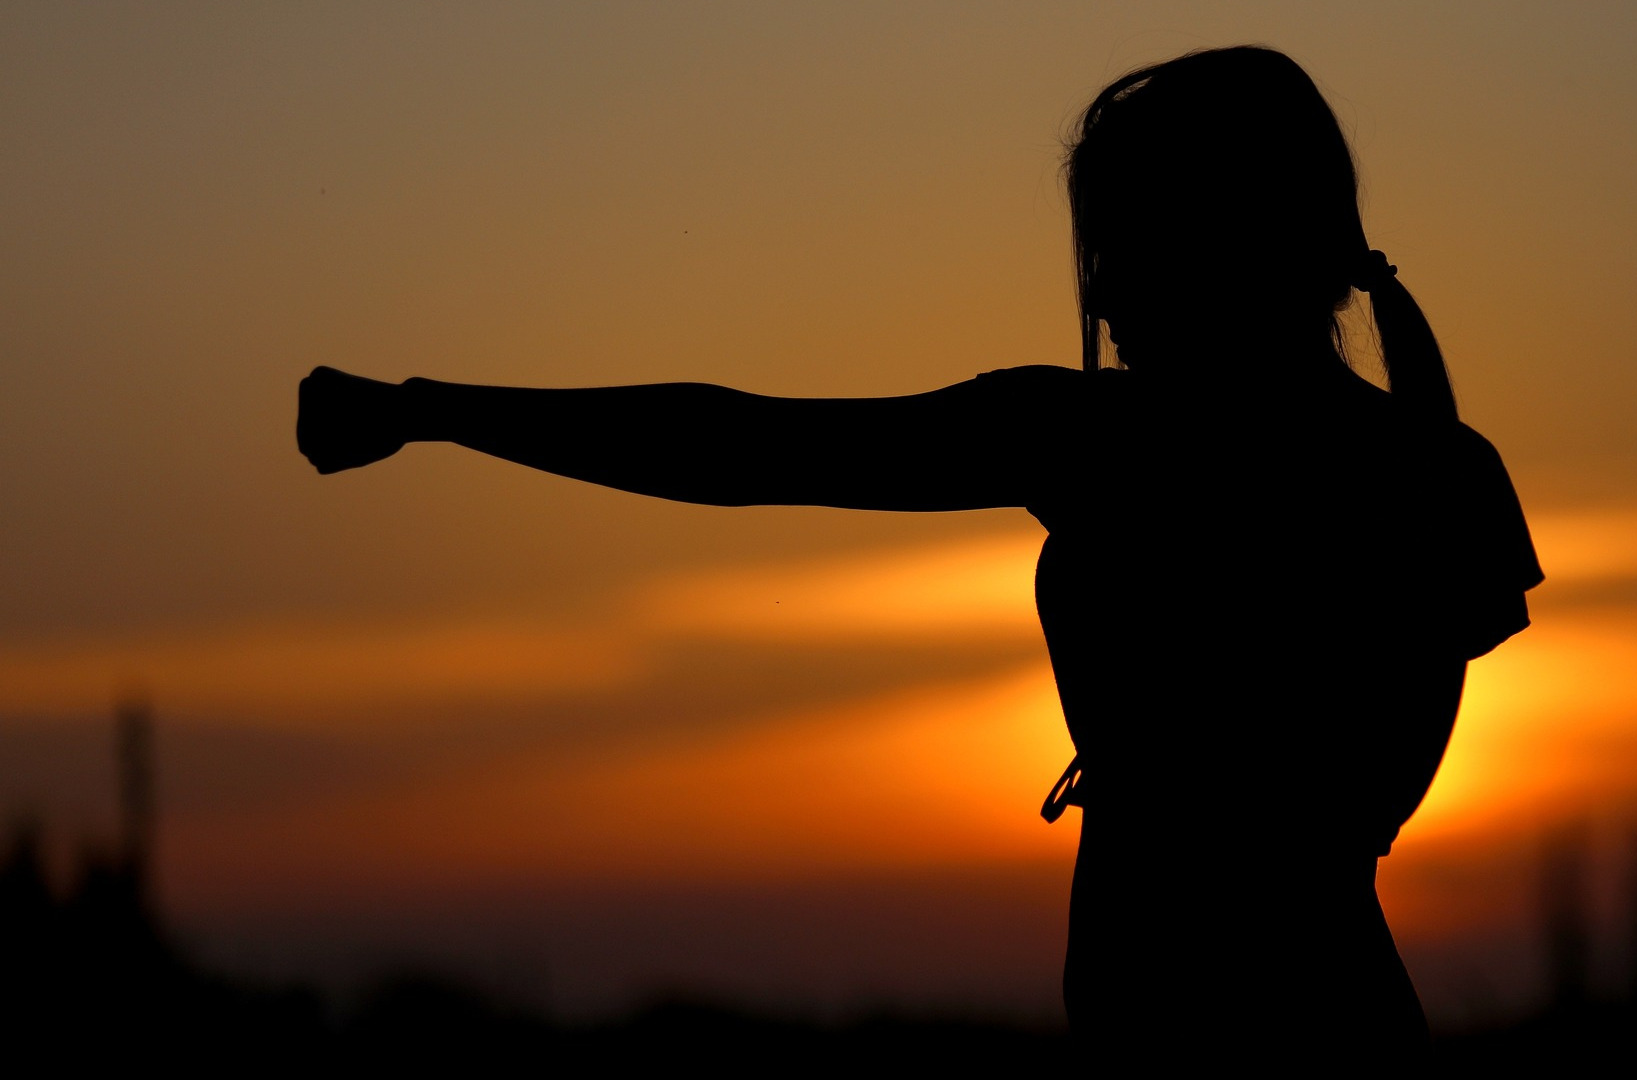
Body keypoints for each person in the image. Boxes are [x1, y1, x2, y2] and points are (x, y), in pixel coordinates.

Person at [297, 45, 1542, 1065]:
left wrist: (435, 410)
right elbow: (1370, 796)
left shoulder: (1106, 448)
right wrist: (437, 410)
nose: (1102, 294)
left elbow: (748, 449)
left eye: (1127, 245)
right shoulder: (1436, 473)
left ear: (1225, 238)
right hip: (1318, 1035)